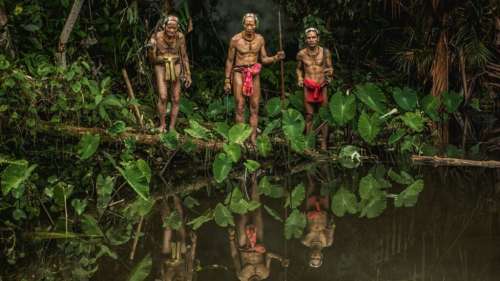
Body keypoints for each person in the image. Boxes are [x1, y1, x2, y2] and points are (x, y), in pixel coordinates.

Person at [224, 13, 286, 144]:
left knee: (254, 106)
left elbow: (263, 59)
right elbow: (230, 60)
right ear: (243, 24)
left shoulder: (260, 39)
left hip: (254, 73)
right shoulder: (235, 40)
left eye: (252, 24)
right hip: (239, 72)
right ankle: (240, 139)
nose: (249, 27)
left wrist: (275, 57)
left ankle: (252, 139)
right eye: (247, 24)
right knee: (240, 106)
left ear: (256, 25)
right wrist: (226, 80)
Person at [228, 174, 289, 280]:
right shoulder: (265, 273)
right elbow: (269, 255)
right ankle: (254, 180)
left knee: (243, 215)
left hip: (244, 245)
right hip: (258, 241)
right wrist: (281, 258)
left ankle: (242, 182)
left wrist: (231, 238)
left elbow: (235, 256)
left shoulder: (242, 276)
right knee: (257, 211)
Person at [149, 15, 191, 132]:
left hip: (176, 64)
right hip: (161, 65)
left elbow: (183, 56)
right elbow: (152, 60)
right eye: (169, 27)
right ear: (164, 26)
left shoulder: (180, 37)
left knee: (176, 98)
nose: (172, 30)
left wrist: (188, 73)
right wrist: (152, 49)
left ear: (178, 27)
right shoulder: (157, 37)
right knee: (163, 96)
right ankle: (162, 125)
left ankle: (172, 127)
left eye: (174, 28)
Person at [296, 27, 334, 150]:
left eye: (313, 37)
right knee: (309, 115)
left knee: (323, 115)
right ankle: (309, 143)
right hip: (308, 86)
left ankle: (323, 144)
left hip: (322, 86)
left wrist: (329, 74)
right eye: (309, 38)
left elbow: (330, 67)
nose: (311, 40)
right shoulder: (301, 54)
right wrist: (300, 78)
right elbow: (298, 69)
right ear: (306, 40)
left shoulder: (325, 52)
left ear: (318, 39)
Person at [301, 172, 335, 268]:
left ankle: (309, 168)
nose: (315, 256)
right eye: (317, 258)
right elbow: (331, 227)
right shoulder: (327, 242)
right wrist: (330, 223)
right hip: (323, 213)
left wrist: (303, 217)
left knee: (311, 185)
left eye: (313, 258)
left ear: (309, 256)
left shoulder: (305, 241)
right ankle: (324, 166)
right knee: (325, 186)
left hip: (310, 212)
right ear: (321, 256)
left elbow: (301, 225)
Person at [159, 195, 197, 281]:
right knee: (180, 228)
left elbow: (162, 271)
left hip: (168, 258)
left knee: (167, 229)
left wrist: (169, 264)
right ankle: (175, 198)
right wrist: (194, 244)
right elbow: (190, 261)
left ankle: (163, 198)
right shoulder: (188, 279)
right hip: (181, 256)